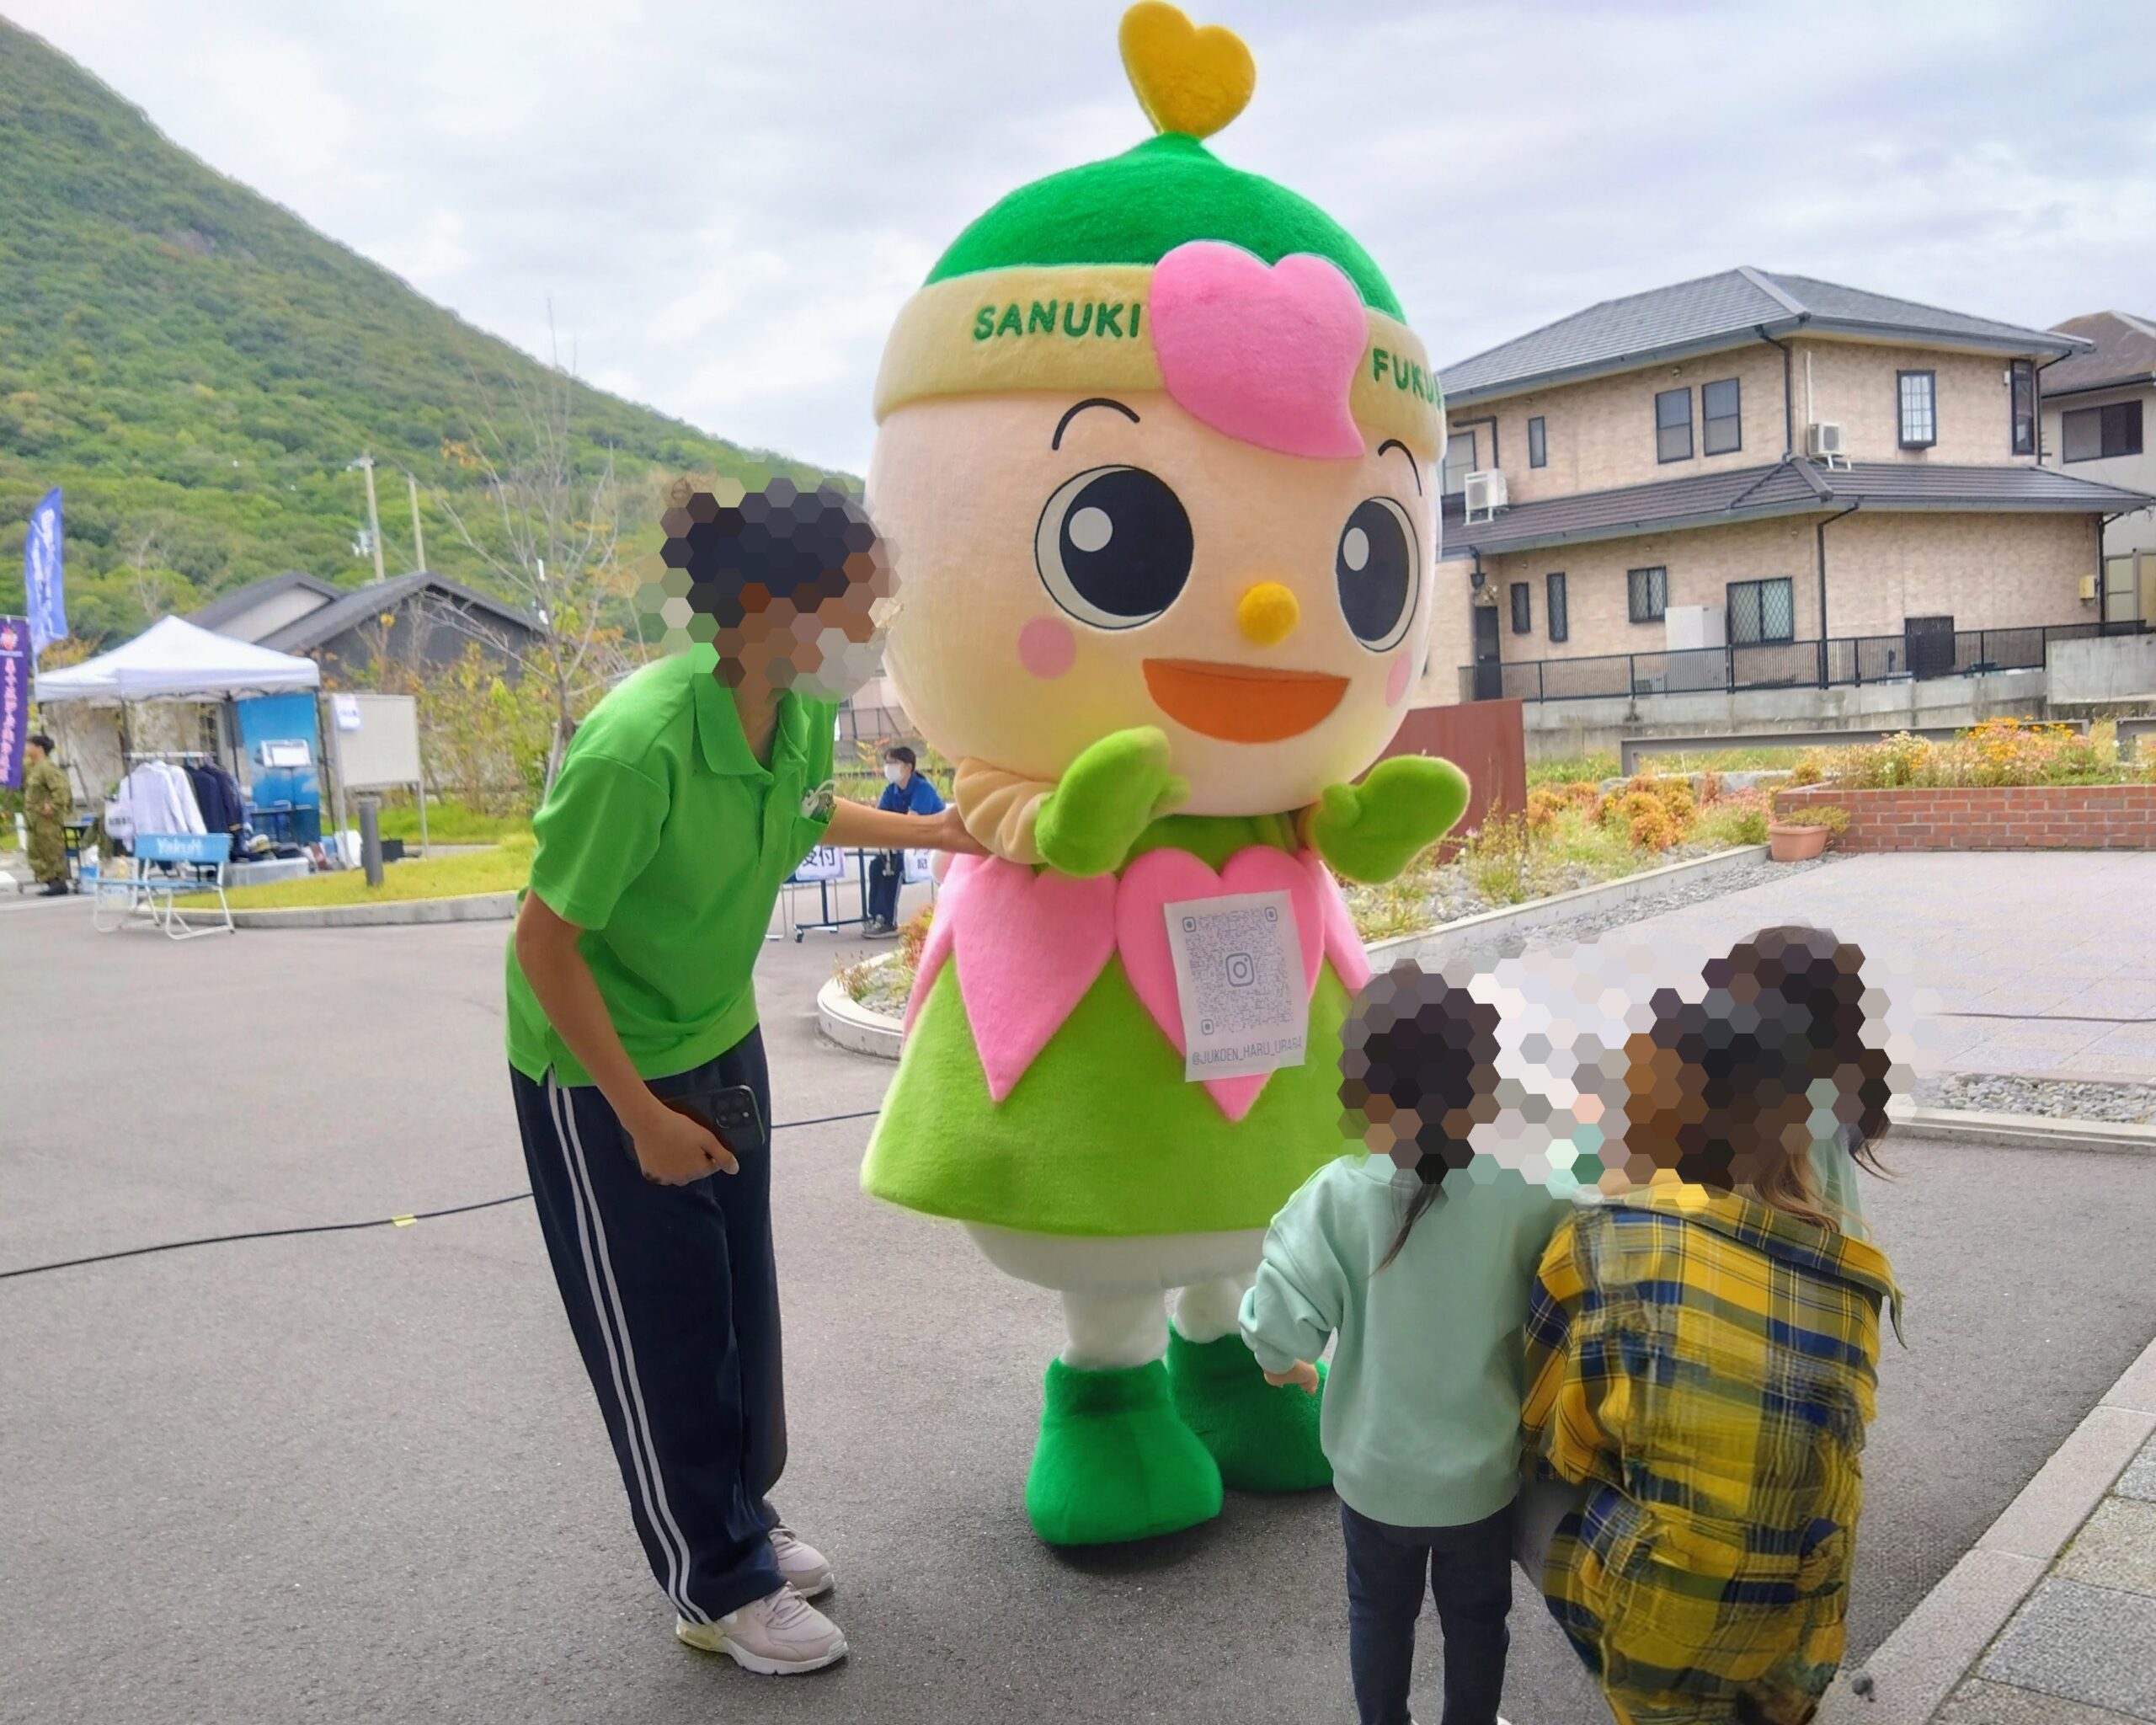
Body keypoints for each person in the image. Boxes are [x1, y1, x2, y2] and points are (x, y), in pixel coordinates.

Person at [505, 483, 979, 1679]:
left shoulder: (801, 712)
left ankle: (741, 1521)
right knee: (659, 1327)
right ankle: (710, 1581)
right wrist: (636, 1119)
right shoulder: (639, 745)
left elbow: (812, 814)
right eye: (865, 608)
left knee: (734, 1308)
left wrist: (954, 836)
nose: (879, 631)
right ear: (776, 609)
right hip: (600, 1066)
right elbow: (544, 945)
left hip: (718, 1034)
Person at [1520, 926, 1899, 1725]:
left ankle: (1645, 1666)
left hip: (1665, 1660)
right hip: (1799, 1660)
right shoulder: (1858, 1273)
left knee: (1517, 1482)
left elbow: (1565, 1443)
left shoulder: (1610, 1242)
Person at [1240, 965, 1568, 1725]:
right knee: (1478, 1619)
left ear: (1359, 1094)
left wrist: (1284, 1365)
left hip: (1374, 1472)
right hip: (1482, 1474)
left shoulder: (1336, 1195)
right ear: (1485, 1088)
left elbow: (1277, 1322)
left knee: (1378, 1614)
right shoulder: (1526, 1188)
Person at [862, 745, 942, 937]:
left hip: (931, 847)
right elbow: (880, 819)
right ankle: (876, 916)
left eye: (894, 763)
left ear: (908, 767)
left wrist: (894, 823)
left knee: (893, 867)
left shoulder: (923, 788)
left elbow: (912, 821)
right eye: (887, 763)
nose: (888, 767)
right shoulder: (892, 790)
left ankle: (887, 921)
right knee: (877, 866)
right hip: (903, 845)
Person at [21, 734, 72, 896]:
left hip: (47, 819)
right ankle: (50, 881)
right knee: (36, 850)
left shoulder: (47, 767)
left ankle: (59, 882)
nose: (26, 748)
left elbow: (61, 787)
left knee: (51, 848)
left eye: (29, 745)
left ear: (39, 748)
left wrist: (54, 805)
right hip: (35, 819)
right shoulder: (32, 768)